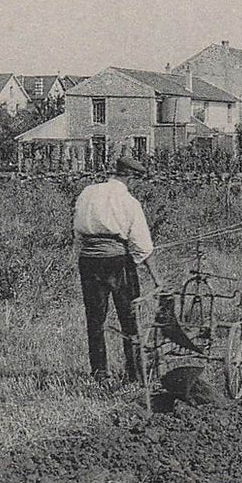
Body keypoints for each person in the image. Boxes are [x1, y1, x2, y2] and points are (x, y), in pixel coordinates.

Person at [72, 155, 161, 384]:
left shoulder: (88, 192)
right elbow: (142, 245)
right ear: (130, 178)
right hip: (116, 262)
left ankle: (100, 373)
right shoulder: (129, 202)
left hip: (88, 261)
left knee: (95, 319)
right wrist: (158, 280)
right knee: (128, 317)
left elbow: (78, 232)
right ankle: (134, 374)